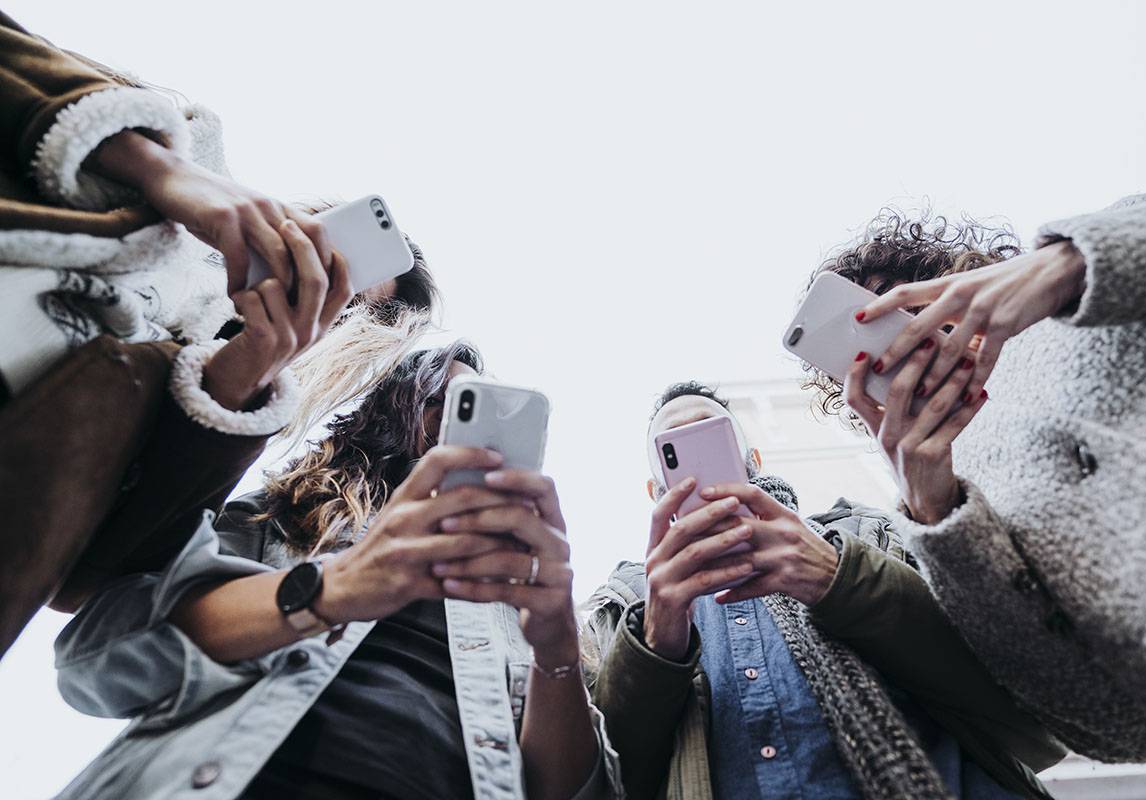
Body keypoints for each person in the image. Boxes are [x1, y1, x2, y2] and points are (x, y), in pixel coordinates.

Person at [0, 11, 433, 656]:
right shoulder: (182, 144)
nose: (319, 294)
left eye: (345, 311)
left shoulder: (217, 409)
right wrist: (158, 170)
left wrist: (248, 370)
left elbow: (88, 583)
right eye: (329, 261)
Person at [53, 343, 621, 800]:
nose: (454, 428)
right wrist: (334, 587)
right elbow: (96, 658)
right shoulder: (285, 513)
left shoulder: (521, 594)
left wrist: (556, 654)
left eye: (470, 411)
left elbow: (578, 790)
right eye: (439, 401)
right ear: (394, 411)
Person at [799, 196, 1146, 764]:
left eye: (897, 306)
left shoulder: (1085, 284)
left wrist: (1072, 265)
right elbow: (1124, 733)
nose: (897, 347)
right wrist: (939, 514)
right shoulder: (946, 504)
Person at [582, 381, 1064, 800]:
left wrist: (839, 578)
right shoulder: (624, 604)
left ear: (752, 460)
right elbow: (612, 781)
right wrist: (655, 644)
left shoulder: (863, 533)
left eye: (711, 436)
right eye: (675, 450)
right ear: (655, 490)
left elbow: (1017, 699)